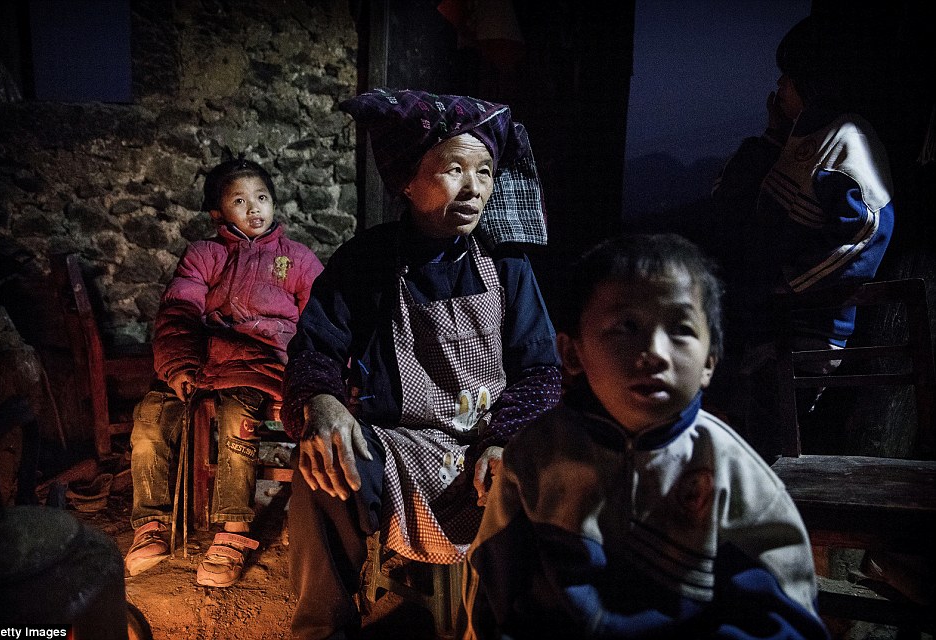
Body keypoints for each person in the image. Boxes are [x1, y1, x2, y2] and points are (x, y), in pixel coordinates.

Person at [280, 88, 562, 639]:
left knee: (537, 484)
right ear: (408, 180)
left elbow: (542, 372)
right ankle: (322, 630)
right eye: (453, 168)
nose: (473, 187)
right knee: (320, 469)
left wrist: (507, 439)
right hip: (398, 448)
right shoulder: (367, 261)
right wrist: (322, 402)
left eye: (483, 171)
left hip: (487, 445)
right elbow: (314, 349)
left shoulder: (507, 265)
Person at [464, 233, 829, 640]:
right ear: (571, 354)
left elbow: (784, 621)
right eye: (626, 326)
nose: (655, 351)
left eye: (680, 329)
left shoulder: (733, 471)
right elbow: (497, 594)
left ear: (709, 363)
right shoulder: (535, 458)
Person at [123, 158, 324, 587]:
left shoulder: (298, 259)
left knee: (238, 426)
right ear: (218, 214)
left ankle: (232, 531)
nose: (254, 208)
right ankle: (151, 525)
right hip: (200, 362)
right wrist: (178, 365)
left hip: (258, 364)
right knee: (150, 420)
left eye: (262, 198)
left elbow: (321, 321)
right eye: (239, 200)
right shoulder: (204, 255)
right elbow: (178, 311)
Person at [708, 15, 895, 461]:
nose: (778, 85)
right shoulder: (795, 138)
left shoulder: (846, 139)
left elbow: (869, 228)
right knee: (727, 425)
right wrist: (774, 133)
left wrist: (792, 284)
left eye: (788, 76)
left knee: (760, 442)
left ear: (813, 81)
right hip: (765, 323)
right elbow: (726, 199)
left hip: (805, 330)